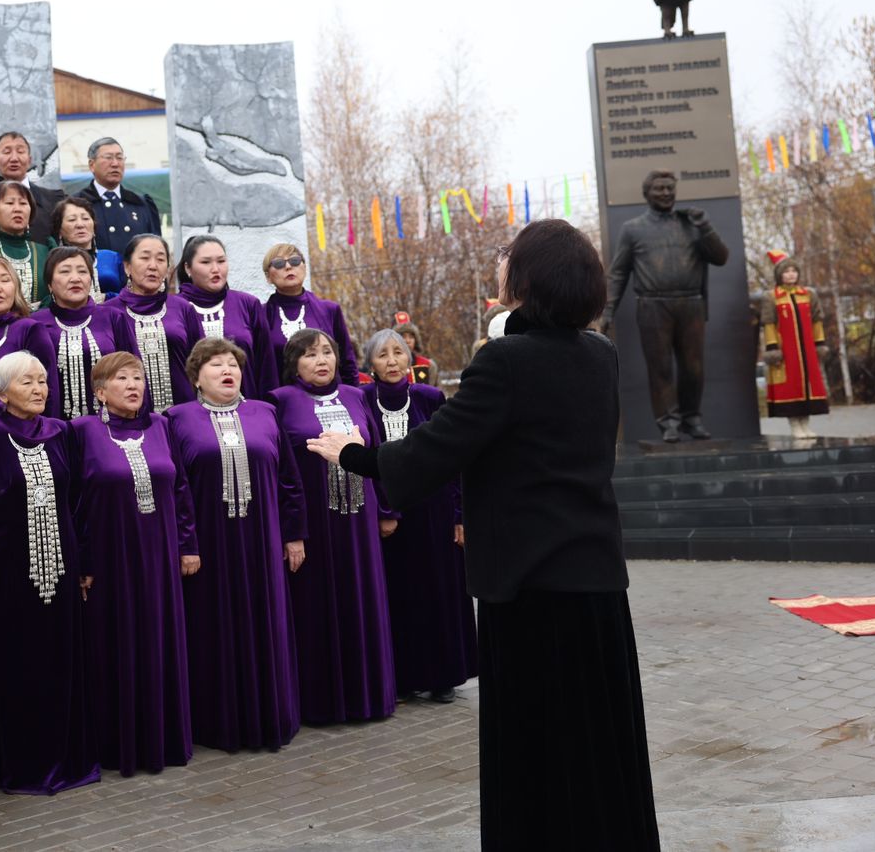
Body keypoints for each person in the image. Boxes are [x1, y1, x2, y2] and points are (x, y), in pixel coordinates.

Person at [310, 219, 659, 848]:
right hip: (595, 580)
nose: (499, 266)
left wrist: (353, 453)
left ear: (529, 278)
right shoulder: (598, 353)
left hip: (527, 587)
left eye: (509, 258)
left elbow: (434, 452)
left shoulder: (505, 361)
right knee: (599, 742)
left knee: (537, 747)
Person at [165, 338, 306, 752]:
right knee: (214, 625)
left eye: (233, 365)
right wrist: (185, 543)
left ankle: (272, 716)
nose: (227, 371)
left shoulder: (264, 412)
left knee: (267, 621)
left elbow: (290, 481)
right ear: (196, 377)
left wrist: (294, 534)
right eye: (215, 366)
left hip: (263, 541)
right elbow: (178, 489)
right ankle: (218, 723)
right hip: (209, 546)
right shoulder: (177, 419)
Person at [0, 352, 101, 794]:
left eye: (43, 381)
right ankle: (24, 765)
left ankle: (68, 758)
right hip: (11, 576)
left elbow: (78, 502)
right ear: (3, 392)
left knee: (62, 657)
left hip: (62, 571)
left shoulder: (62, 432)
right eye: (27, 382)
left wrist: (83, 563)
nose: (39, 389)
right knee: (19, 665)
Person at [68, 352, 195, 775]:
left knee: (161, 639)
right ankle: (119, 745)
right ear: (100, 392)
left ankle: (166, 740)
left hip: (159, 556)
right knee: (116, 642)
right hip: (110, 557)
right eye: (121, 379)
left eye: (138, 377)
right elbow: (76, 504)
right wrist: (83, 560)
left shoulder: (162, 426)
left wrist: (187, 545)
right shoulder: (82, 431)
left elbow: (180, 491)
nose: (133, 385)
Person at [270, 330, 396, 724]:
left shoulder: (357, 396)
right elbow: (283, 474)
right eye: (310, 355)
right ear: (295, 363)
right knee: (317, 605)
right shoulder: (280, 401)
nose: (321, 360)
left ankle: (370, 697)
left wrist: (386, 509)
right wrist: (293, 530)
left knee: (364, 599)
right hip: (316, 523)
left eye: (327, 352)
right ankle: (323, 704)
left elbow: (379, 456)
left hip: (359, 522)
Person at [359, 328, 477, 704]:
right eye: (382, 355)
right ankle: (405, 676)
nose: (392, 361)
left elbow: (452, 457)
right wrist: (382, 510)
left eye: (398, 353)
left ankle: (443, 676)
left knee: (438, 592)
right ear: (370, 365)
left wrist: (460, 516)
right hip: (389, 516)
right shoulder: (362, 400)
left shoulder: (429, 397)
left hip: (435, 511)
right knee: (399, 594)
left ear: (410, 359)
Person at [602, 168, 731, 442]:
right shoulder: (633, 229)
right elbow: (618, 272)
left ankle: (692, 418)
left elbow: (720, 258)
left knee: (693, 367)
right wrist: (608, 310)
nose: (665, 193)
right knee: (660, 367)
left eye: (670, 188)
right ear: (646, 193)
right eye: (659, 189)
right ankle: (668, 422)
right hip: (652, 305)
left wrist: (705, 227)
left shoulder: (692, 224)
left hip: (691, 303)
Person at [30, 247, 136, 419]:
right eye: (65, 272)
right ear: (49, 284)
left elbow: (133, 370)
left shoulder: (113, 317)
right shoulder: (35, 324)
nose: (75, 278)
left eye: (82, 271)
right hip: (54, 427)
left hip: (110, 426)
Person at [177, 234, 278, 399]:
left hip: (248, 409)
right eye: (205, 262)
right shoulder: (175, 308)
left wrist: (268, 410)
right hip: (194, 413)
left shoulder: (248, 304)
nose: (215, 269)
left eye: (221, 261)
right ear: (188, 268)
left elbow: (266, 366)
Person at [107, 233, 192, 410]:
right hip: (129, 413)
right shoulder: (109, 312)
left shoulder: (183, 308)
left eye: (161, 260)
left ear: (168, 268)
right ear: (127, 267)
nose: (153, 266)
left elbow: (199, 362)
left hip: (184, 409)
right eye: (145, 258)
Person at [263, 243, 360, 386]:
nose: (288, 267)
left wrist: (353, 398)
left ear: (305, 267)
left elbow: (347, 362)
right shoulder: (260, 314)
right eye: (278, 263)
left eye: (295, 261)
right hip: (283, 402)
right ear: (268, 277)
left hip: (329, 400)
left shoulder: (330, 310)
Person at [761, 251, 831, 438]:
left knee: (807, 386)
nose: (791, 274)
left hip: (807, 351)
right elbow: (769, 324)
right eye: (787, 271)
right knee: (791, 387)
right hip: (787, 352)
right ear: (779, 275)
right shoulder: (772, 297)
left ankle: (806, 425)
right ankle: (795, 426)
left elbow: (817, 321)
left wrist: (819, 344)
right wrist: (773, 349)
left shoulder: (808, 294)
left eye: (794, 271)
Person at [75, 137, 161, 254]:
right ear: (92, 165)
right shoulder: (77, 204)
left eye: (120, 158)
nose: (115, 164)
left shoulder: (141, 204)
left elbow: (156, 247)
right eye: (108, 158)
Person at [0, 130, 64, 241]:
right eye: (6, 152)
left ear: (29, 160)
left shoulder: (52, 200)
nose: (14, 158)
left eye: (20, 151)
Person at [49, 195, 123, 299]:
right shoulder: (53, 263)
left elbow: (130, 294)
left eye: (85, 218)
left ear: (93, 225)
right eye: (72, 220)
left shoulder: (112, 257)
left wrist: (107, 297)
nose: (80, 224)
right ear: (59, 230)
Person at [393, 315, 440, 386]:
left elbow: (436, 394)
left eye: (411, 337)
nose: (408, 341)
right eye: (403, 336)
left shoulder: (428, 366)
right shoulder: (388, 367)